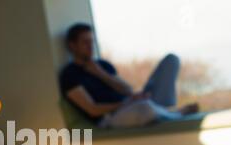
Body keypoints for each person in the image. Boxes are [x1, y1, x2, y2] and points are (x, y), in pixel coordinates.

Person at [59, 23, 198, 128]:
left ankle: (163, 111)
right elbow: (93, 110)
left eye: (91, 41)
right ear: (72, 46)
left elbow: (127, 90)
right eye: (85, 42)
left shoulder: (102, 65)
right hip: (112, 117)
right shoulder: (70, 74)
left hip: (133, 103)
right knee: (146, 108)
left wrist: (100, 73)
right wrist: (126, 103)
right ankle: (177, 114)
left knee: (171, 60)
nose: (90, 46)